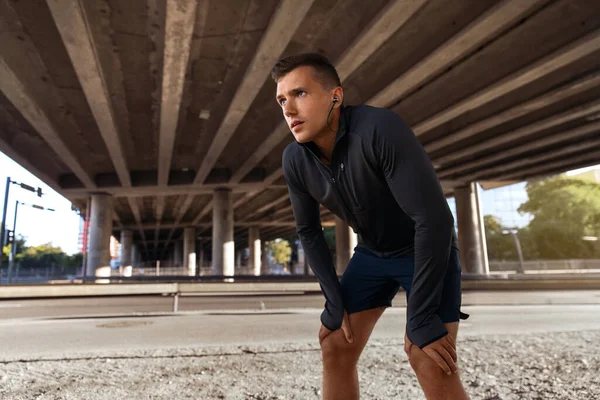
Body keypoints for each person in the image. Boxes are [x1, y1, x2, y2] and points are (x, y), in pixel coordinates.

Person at [273, 53, 470, 400]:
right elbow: (308, 231)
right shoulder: (295, 159)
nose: (289, 108)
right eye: (282, 99)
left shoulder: (379, 128)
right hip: (372, 253)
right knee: (335, 343)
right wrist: (334, 300)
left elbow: (435, 219)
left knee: (426, 356)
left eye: (300, 94)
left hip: (425, 248)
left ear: (335, 95)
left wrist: (422, 317)